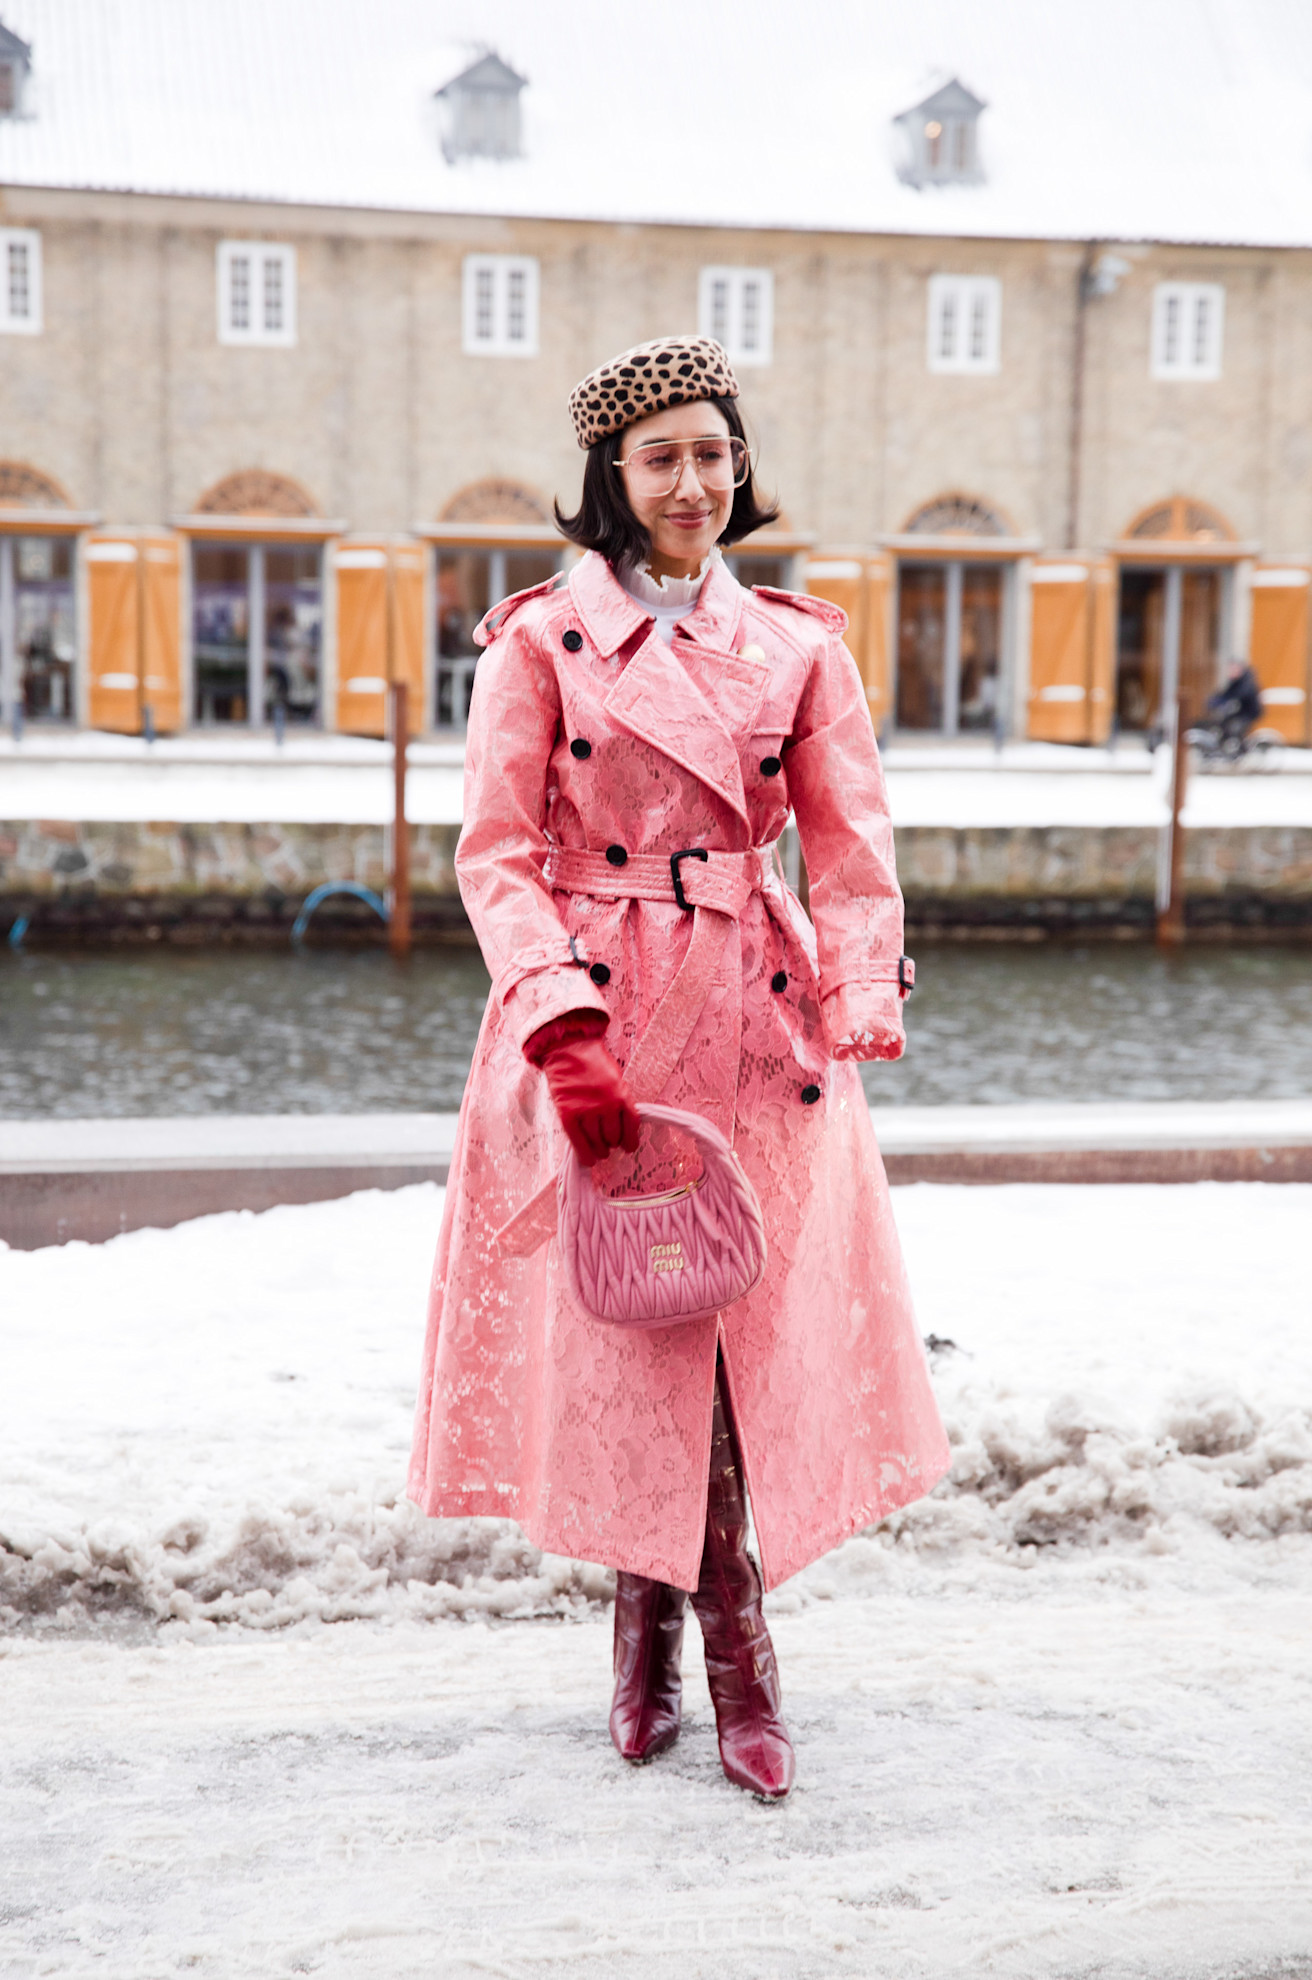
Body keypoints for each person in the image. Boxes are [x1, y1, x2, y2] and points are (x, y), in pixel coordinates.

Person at [407, 335, 951, 1801]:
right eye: (662, 458)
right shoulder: (537, 645)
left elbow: (849, 840)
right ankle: (726, 1641)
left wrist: (854, 993)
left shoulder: (800, 646)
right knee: (641, 1334)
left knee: (736, 1341)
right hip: (601, 1017)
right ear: (613, 477)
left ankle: (664, 1618)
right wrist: (559, 1023)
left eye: (715, 452)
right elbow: (496, 855)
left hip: (759, 1026)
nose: (695, 482)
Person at [1202, 658, 1263, 747]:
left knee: (1234, 725)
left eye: (1233, 669)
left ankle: (1239, 747)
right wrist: (1215, 700)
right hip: (1242, 710)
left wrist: (1221, 702)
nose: (1231, 672)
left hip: (1250, 712)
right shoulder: (1237, 681)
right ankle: (1225, 745)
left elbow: (1236, 695)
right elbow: (1226, 693)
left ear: (1239, 669)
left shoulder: (1246, 682)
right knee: (1224, 721)